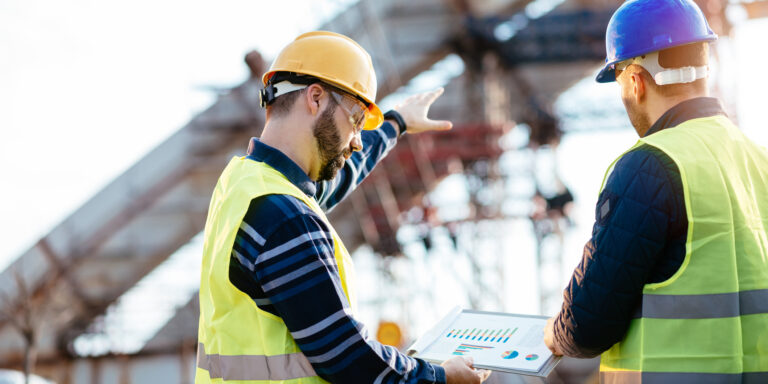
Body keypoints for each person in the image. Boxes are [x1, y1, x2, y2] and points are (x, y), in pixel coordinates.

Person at [195, 31, 491, 384]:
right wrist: (441, 378)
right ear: (316, 98)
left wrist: (396, 124)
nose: (356, 139)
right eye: (354, 120)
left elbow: (338, 175)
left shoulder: (244, 184)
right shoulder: (286, 217)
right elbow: (349, 359)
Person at [543, 0, 768, 382]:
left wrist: (553, 334)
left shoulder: (649, 165)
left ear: (635, 80)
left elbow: (586, 327)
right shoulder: (758, 159)